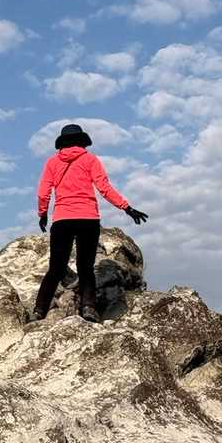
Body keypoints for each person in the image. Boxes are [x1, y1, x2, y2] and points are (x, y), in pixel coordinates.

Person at [32, 123, 147, 324]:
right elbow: (104, 188)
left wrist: (43, 214)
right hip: (88, 219)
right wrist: (127, 208)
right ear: (81, 141)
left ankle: (39, 311)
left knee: (56, 269)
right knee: (85, 267)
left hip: (62, 219)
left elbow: (43, 193)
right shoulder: (90, 160)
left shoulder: (52, 163)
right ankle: (89, 307)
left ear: (62, 143)